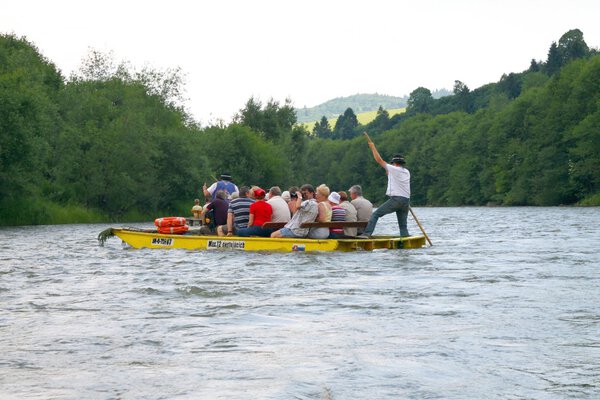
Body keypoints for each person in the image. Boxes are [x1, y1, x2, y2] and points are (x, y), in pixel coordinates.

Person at [358, 133, 411, 238]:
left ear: (394, 163)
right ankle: (405, 239)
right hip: (406, 201)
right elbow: (393, 176)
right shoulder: (406, 171)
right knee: (403, 226)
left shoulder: (394, 169)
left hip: (396, 200)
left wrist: (373, 148)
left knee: (375, 214)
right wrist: (389, 172)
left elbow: (379, 160)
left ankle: (367, 234)